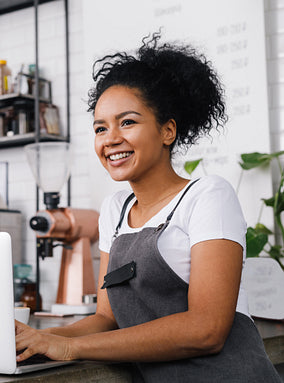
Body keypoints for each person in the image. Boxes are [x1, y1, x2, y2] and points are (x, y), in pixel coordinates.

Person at [15, 33, 281, 382]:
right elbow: (105, 320)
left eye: (127, 122)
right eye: (100, 128)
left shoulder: (208, 196)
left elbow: (207, 328)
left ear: (167, 130)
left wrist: (70, 348)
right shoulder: (114, 210)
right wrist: (36, 340)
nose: (110, 139)